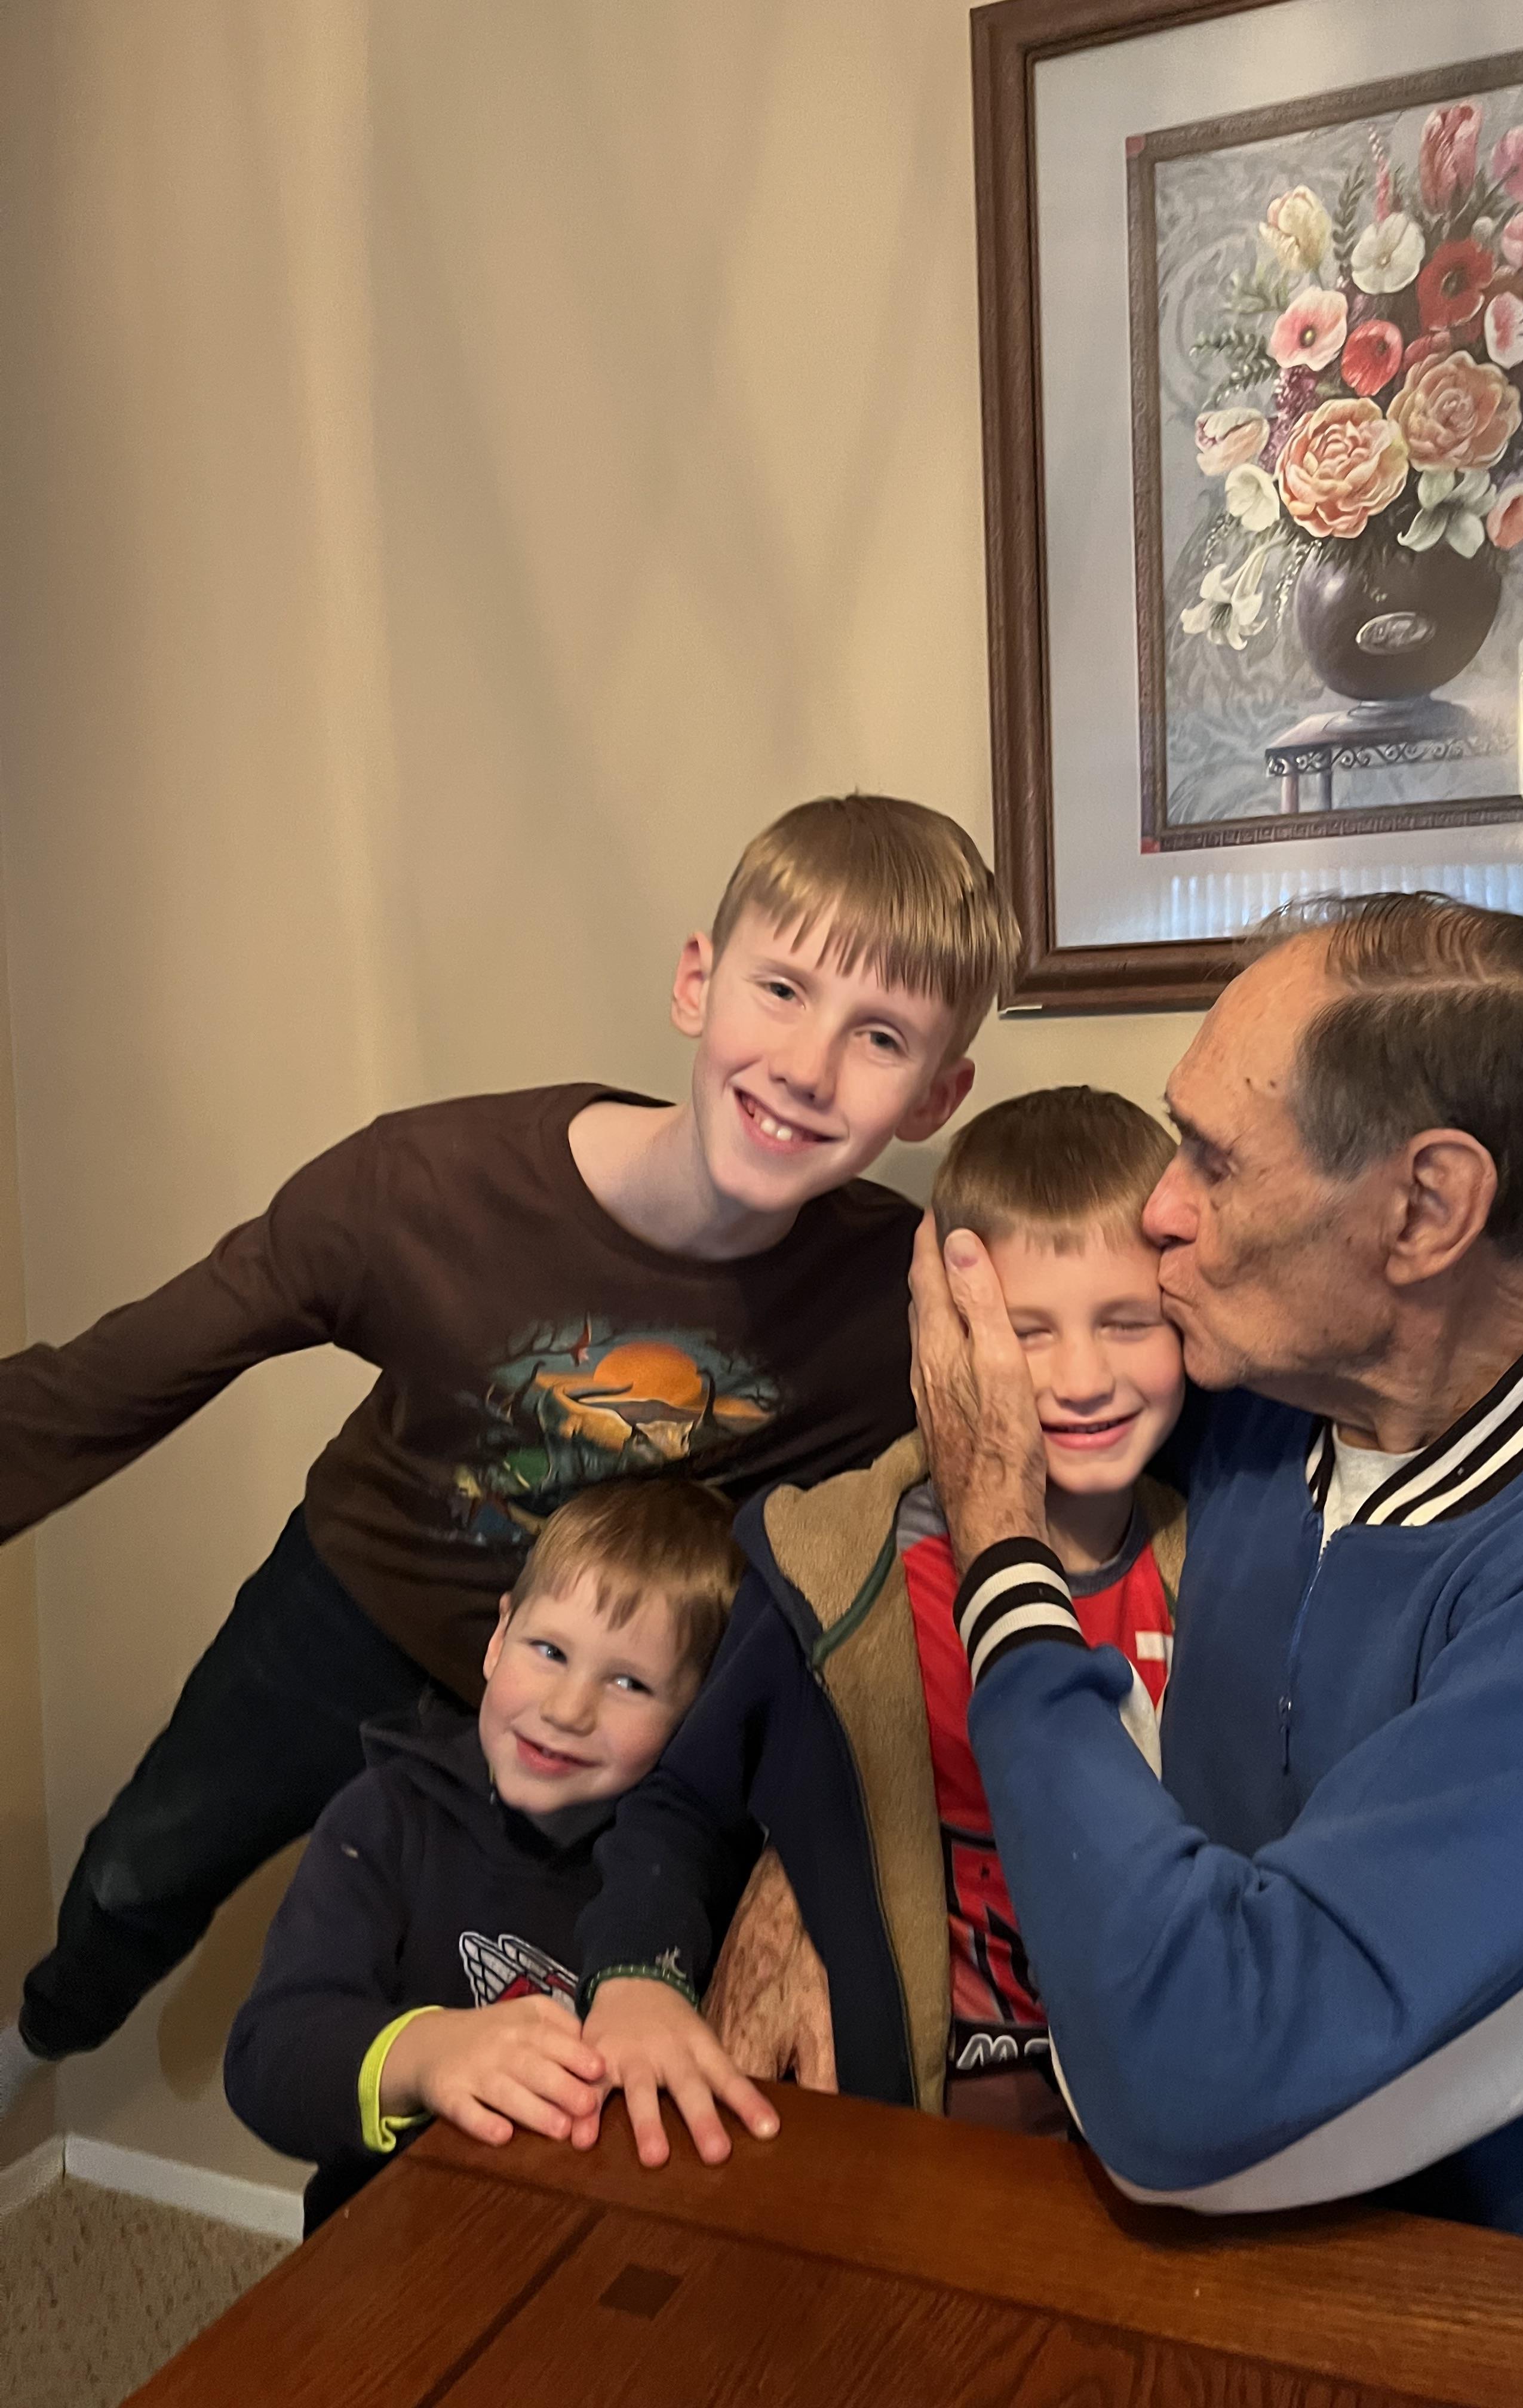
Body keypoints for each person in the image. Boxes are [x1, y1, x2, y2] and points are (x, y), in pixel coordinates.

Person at [0, 793, 1018, 2125]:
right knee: (143, 1870)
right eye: (783, 990)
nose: (811, 1067)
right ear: (697, 983)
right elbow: (105, 1382)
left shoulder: (897, 1300)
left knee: (586, 2009)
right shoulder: (421, 1193)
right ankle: (34, 2039)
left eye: (878, 1037)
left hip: (628, 1682)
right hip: (355, 1608)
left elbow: (1033, 1432)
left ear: (938, 1093)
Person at [903, 893, 1523, 2281]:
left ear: (1426, 1208)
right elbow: (913, 1467)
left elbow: (1193, 2085)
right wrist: (836, 1812)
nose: (1160, 1210)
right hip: (1216, 2260)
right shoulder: (1276, 1385)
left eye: (1212, 1161)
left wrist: (1000, 1555)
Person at [567, 1088, 1190, 2160]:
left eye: (1128, 1323)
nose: (1083, 1379)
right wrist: (636, 1974)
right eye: (1021, 1334)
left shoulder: (1227, 1557)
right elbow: (683, 1803)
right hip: (896, 2114)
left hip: (1156, 2114)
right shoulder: (839, 1566)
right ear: (947, 1337)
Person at [224, 1479, 742, 2229]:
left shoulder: (696, 1870)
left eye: (630, 1682)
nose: (567, 1709)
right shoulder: (386, 1819)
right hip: (390, 2250)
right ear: (499, 1639)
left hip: (605, 2248)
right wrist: (428, 2054)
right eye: (549, 1650)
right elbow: (265, 2059)